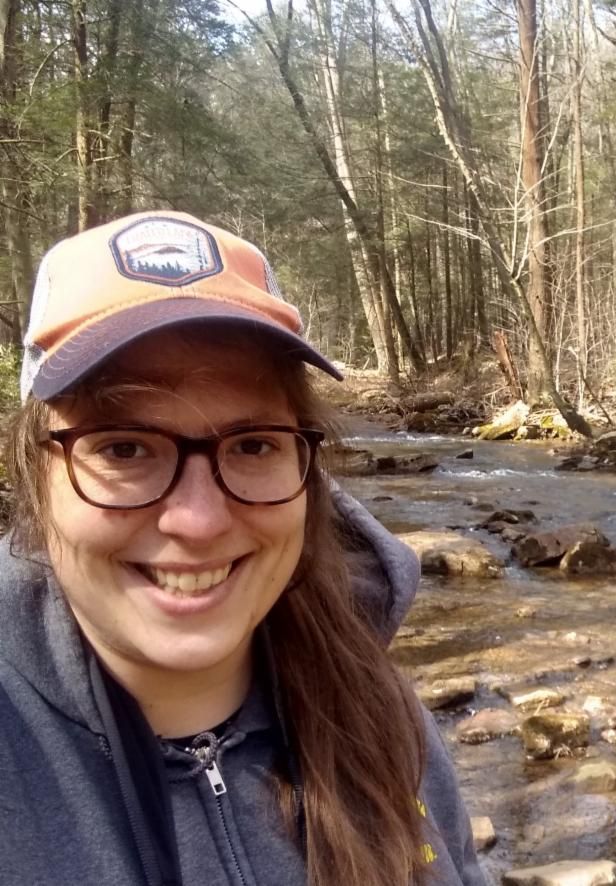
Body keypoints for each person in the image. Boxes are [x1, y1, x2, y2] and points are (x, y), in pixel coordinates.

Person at [0, 210, 486, 886]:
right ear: (33, 475)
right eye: (124, 449)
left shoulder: (374, 705)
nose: (197, 521)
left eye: (253, 445)